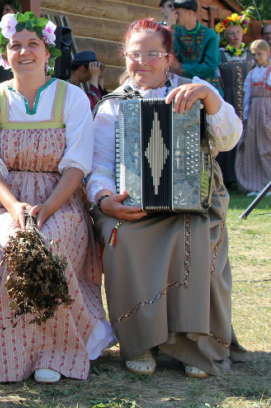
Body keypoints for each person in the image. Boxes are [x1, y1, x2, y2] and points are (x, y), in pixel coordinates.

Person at [0, 12, 114, 384]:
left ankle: (54, 352)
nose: (23, 51)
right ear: (4, 55)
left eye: (33, 44)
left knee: (51, 246)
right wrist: (15, 207)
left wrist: (48, 208)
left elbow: (77, 164)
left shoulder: (70, 97)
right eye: (15, 46)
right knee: (5, 245)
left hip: (60, 196)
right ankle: (13, 352)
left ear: (47, 52)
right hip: (5, 198)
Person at [89, 18, 246, 379]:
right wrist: (105, 199)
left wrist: (211, 99)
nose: (142, 61)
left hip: (192, 202)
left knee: (193, 231)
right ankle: (141, 340)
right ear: (124, 57)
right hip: (130, 205)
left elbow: (229, 139)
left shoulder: (196, 90)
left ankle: (196, 345)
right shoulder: (114, 105)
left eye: (152, 54)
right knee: (121, 237)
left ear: (169, 57)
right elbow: (97, 165)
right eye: (134, 54)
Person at [215, 12, 254, 188]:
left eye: (238, 31)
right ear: (226, 36)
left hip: (249, 100)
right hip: (228, 99)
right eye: (231, 33)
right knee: (228, 132)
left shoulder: (252, 52)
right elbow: (216, 78)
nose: (235, 35)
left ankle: (247, 178)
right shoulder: (221, 54)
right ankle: (228, 177)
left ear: (243, 32)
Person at [236, 40, 271, 196]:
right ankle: (258, 184)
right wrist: (245, 115)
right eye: (254, 54)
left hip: (268, 110)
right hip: (255, 112)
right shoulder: (252, 73)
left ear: (268, 53)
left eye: (260, 54)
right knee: (254, 147)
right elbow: (247, 95)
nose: (256, 57)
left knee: (267, 146)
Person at [172, 0, 224, 96]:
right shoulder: (175, 32)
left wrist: (181, 68)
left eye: (177, 13)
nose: (175, 16)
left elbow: (210, 66)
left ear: (190, 13)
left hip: (208, 88)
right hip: (182, 87)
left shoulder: (210, 35)